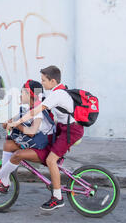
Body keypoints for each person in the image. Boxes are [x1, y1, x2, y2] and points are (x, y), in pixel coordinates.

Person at [7, 66, 84, 211]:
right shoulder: (56, 92)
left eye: (43, 80)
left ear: (53, 80)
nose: (41, 83)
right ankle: (55, 184)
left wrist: (17, 123)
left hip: (71, 131)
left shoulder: (58, 94)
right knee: (52, 158)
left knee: (50, 160)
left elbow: (37, 109)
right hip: (65, 129)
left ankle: (57, 198)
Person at [0, 80, 55, 193]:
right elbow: (15, 122)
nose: (20, 95)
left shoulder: (38, 111)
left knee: (18, 155)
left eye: (22, 92)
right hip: (37, 145)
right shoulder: (28, 110)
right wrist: (8, 124)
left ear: (30, 94)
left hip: (46, 149)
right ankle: (4, 182)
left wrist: (17, 126)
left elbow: (32, 131)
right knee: (8, 144)